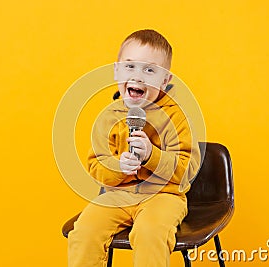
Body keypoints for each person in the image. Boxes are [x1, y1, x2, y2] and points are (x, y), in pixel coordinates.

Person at [68, 29, 201, 267]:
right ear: (117, 71)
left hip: (164, 195)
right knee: (84, 231)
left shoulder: (176, 117)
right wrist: (118, 167)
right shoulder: (109, 118)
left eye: (149, 70)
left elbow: (187, 168)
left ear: (165, 80)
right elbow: (96, 164)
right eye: (130, 67)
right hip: (118, 195)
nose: (138, 77)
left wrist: (152, 155)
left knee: (150, 234)